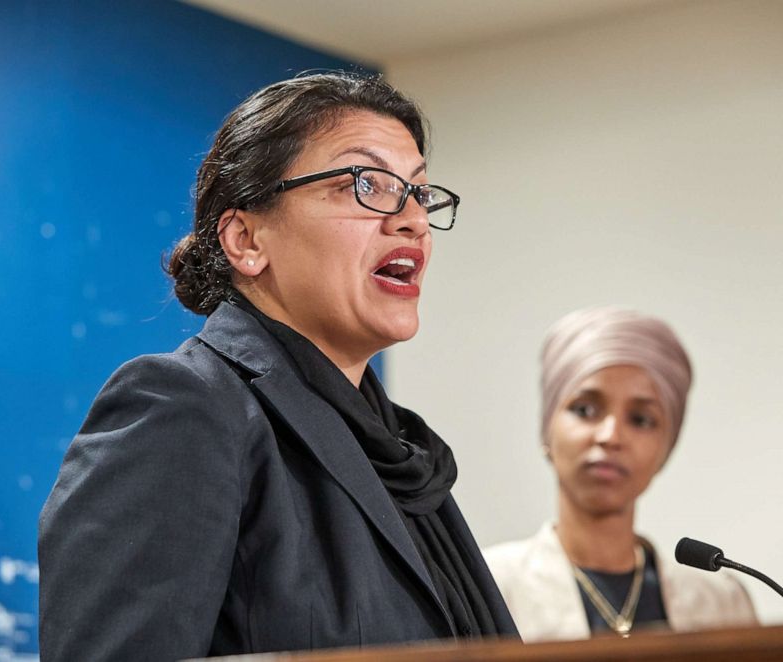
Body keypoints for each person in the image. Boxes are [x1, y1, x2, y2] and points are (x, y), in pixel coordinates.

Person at [38, 72, 517, 661]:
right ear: (246, 240)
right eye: (366, 183)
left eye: (418, 192)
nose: (412, 219)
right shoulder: (181, 407)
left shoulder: (399, 453)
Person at [483, 306, 757, 641]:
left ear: (665, 449)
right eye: (585, 410)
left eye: (641, 419)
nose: (611, 436)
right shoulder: (487, 584)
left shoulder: (722, 603)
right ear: (546, 431)